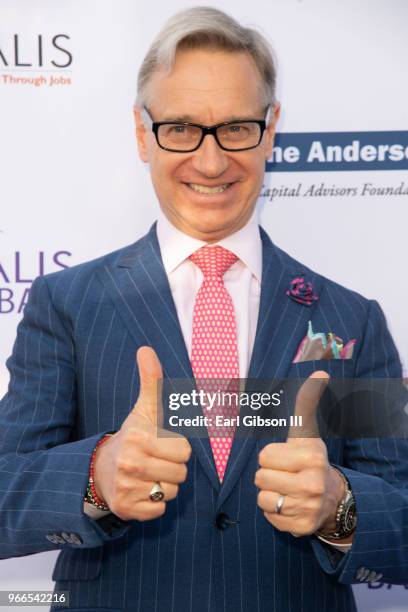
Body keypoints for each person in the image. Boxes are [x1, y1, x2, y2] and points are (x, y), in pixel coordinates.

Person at [0, 6, 407, 612]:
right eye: (181, 128)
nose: (211, 161)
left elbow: (401, 511)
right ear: (143, 134)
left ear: (271, 128)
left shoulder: (351, 319)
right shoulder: (67, 306)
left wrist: (339, 506)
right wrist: (95, 478)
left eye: (237, 128)